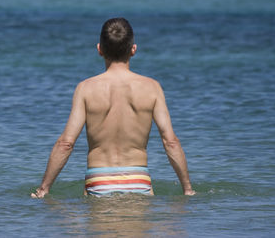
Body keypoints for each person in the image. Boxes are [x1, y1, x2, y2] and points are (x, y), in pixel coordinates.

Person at [31, 18, 195, 198]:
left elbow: (66, 144)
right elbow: (170, 142)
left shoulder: (85, 88)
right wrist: (187, 189)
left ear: (99, 50)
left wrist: (44, 188)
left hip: (99, 180)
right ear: (133, 50)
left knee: (100, 226)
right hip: (138, 179)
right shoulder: (152, 87)